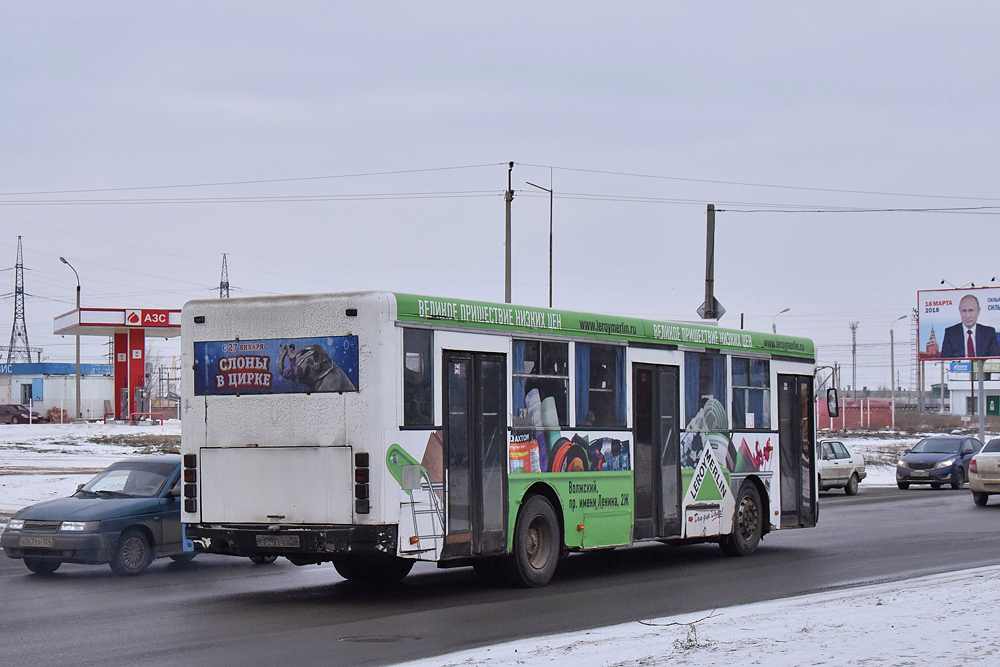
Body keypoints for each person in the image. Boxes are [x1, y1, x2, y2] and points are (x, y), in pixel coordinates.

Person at [940, 294, 1000, 358]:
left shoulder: (989, 332)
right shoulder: (950, 333)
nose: (967, 316)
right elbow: (945, 360)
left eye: (971, 311)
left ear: (978, 311)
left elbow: (994, 359)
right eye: (964, 311)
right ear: (959, 311)